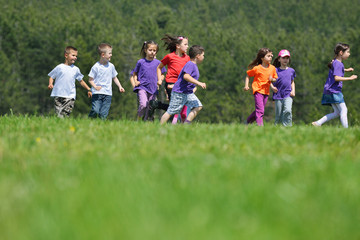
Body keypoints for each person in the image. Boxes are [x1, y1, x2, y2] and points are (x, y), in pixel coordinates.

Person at [312, 43, 357, 128]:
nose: (349, 54)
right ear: (341, 52)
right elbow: (336, 77)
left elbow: (337, 70)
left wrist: (346, 70)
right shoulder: (338, 63)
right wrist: (350, 78)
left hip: (329, 90)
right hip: (334, 91)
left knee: (337, 112)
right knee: (344, 110)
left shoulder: (336, 62)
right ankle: (346, 130)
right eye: (347, 52)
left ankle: (318, 123)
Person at [160, 45, 206, 124]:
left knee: (198, 106)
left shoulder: (194, 65)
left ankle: (186, 124)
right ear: (198, 56)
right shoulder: (190, 64)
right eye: (203, 55)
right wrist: (199, 83)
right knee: (171, 111)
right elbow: (186, 76)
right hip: (179, 93)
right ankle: (159, 127)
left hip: (188, 93)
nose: (204, 57)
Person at [150, 34, 190, 123]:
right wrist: (159, 79)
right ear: (178, 46)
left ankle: (158, 104)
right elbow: (159, 67)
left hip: (182, 85)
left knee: (179, 110)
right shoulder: (170, 57)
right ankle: (171, 125)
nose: (187, 46)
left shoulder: (187, 58)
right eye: (185, 44)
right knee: (175, 107)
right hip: (170, 83)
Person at [48, 46, 92, 118]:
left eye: (76, 56)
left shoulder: (76, 69)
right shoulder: (59, 67)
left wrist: (88, 89)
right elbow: (51, 77)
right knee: (58, 115)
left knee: (65, 114)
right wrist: (50, 84)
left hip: (69, 96)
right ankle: (60, 127)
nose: (75, 57)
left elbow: (81, 81)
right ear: (66, 55)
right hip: (58, 94)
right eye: (73, 55)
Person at [88, 43, 125, 119]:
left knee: (103, 114)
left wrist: (120, 86)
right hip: (97, 93)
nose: (111, 55)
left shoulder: (111, 66)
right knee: (95, 110)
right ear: (103, 55)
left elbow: (114, 77)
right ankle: (90, 120)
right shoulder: (96, 67)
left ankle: (101, 127)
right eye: (109, 53)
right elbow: (90, 80)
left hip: (108, 94)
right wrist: (95, 87)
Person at [130, 41, 165, 121]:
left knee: (150, 107)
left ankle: (145, 121)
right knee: (143, 104)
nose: (152, 52)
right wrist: (135, 81)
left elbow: (162, 74)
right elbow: (134, 74)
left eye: (154, 50)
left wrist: (160, 80)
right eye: (150, 50)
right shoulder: (140, 62)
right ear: (145, 50)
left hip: (153, 89)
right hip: (142, 87)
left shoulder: (158, 63)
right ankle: (139, 118)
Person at [244, 48, 278, 126]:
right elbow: (248, 76)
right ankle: (260, 126)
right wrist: (246, 85)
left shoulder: (272, 68)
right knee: (260, 110)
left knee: (259, 110)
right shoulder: (257, 68)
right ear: (262, 58)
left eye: (271, 56)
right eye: (268, 56)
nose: (271, 57)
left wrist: (272, 81)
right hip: (258, 90)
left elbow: (275, 79)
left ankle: (248, 121)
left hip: (266, 92)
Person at [271, 49, 296, 126]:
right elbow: (268, 81)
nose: (285, 60)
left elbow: (292, 82)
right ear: (279, 59)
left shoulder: (291, 71)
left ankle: (288, 127)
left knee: (288, 110)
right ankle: (277, 128)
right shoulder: (275, 70)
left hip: (288, 94)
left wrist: (293, 91)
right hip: (278, 95)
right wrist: (272, 87)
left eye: (287, 58)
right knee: (279, 114)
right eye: (283, 58)